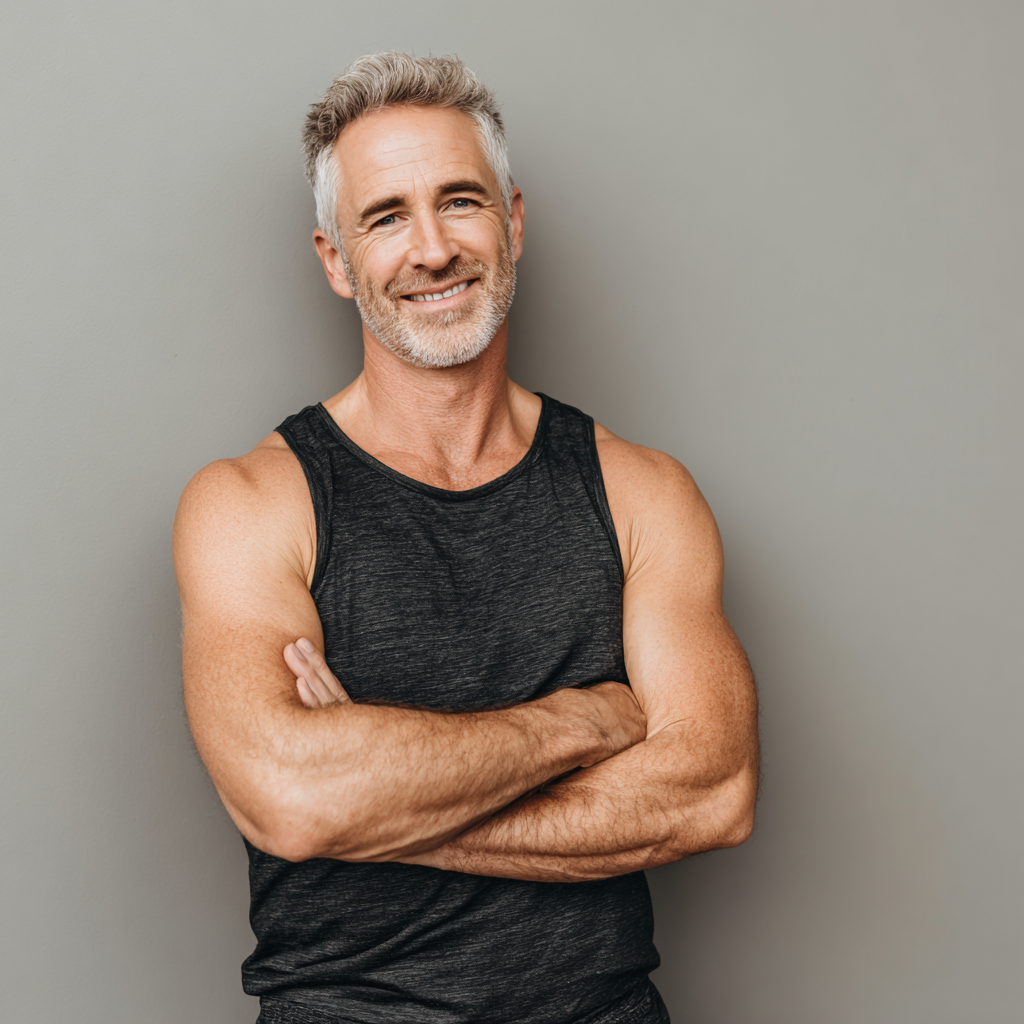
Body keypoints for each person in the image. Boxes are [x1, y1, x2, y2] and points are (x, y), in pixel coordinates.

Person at [173, 52, 759, 1024]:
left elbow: (711, 794)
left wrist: (377, 801)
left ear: (513, 221)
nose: (433, 248)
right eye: (386, 215)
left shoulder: (640, 491)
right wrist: (584, 722)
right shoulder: (253, 502)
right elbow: (292, 798)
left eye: (460, 200)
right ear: (334, 258)